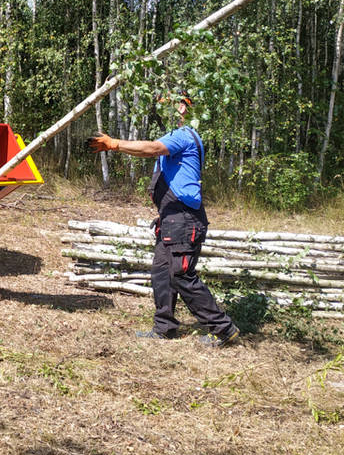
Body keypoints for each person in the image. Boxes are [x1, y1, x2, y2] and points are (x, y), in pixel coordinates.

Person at [87, 92, 239, 347]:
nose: (166, 111)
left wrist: (114, 144)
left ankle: (223, 329)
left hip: (184, 218)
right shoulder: (175, 136)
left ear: (184, 109)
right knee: (161, 273)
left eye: (172, 106)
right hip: (171, 219)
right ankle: (165, 327)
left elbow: (151, 148)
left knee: (181, 275)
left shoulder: (184, 135)